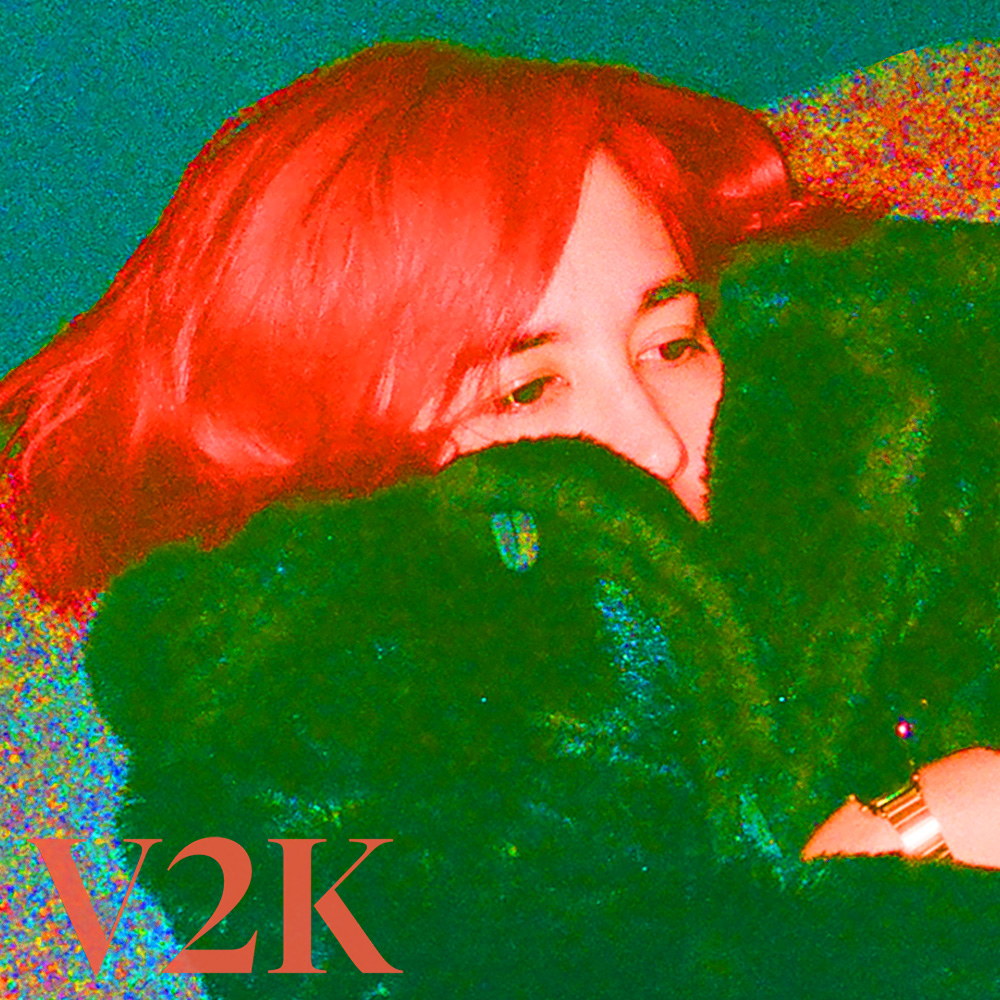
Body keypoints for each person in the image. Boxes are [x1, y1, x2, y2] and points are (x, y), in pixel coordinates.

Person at [4, 39, 999, 997]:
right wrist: (903, 846)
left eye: (670, 344)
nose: (654, 440)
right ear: (332, 451)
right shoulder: (305, 744)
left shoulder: (890, 478)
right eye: (525, 390)